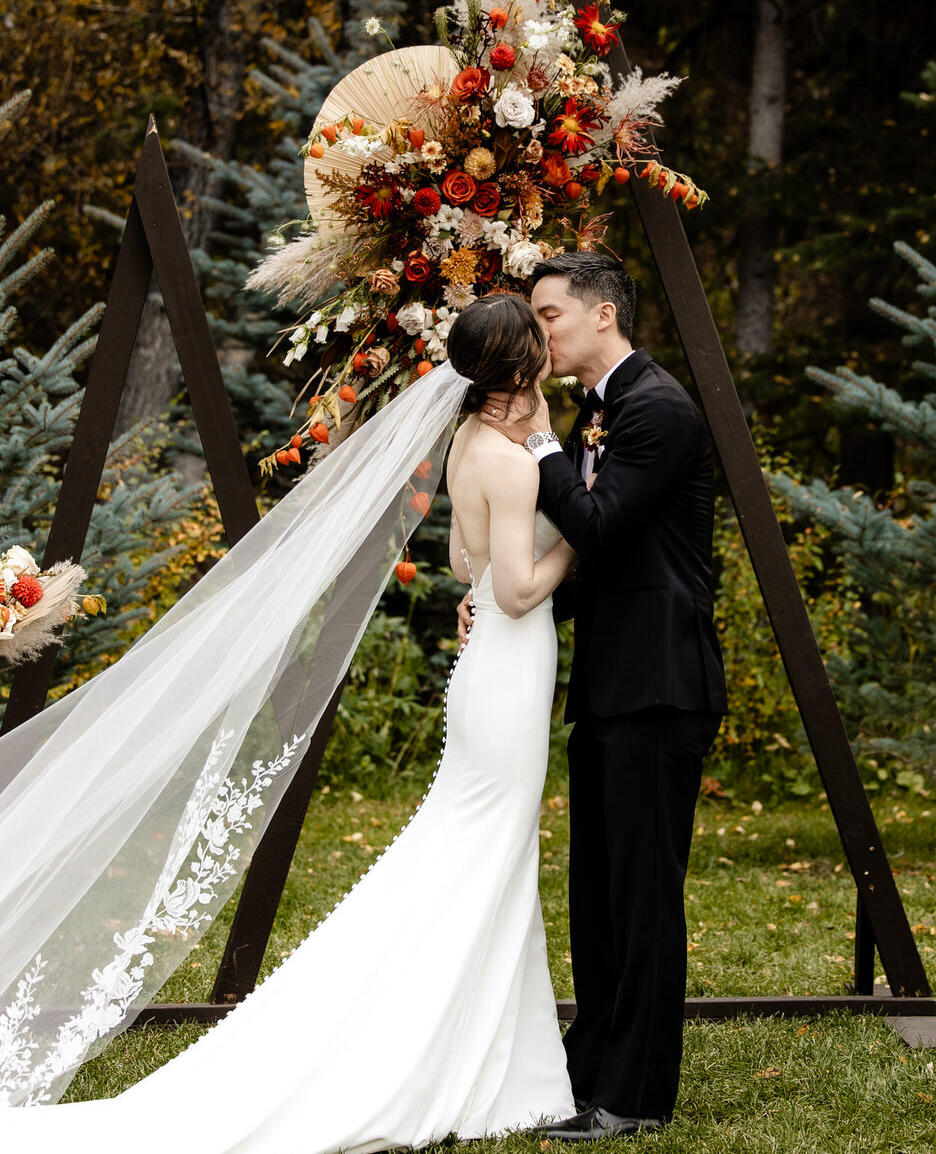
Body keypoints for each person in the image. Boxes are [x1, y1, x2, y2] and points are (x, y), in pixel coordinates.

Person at [0, 295, 579, 1151]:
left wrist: (496, 578)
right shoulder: (518, 458)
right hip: (510, 663)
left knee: (482, 846)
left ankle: (508, 1062)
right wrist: (580, 535)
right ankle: (466, 1059)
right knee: (489, 844)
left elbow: (464, 559)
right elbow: (522, 585)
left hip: (488, 660)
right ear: (520, 367)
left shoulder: (464, 442)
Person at [465, 251, 727, 1138]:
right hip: (610, 682)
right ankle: (591, 1068)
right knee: (601, 891)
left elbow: (602, 526)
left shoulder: (656, 410)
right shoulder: (598, 411)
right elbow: (592, 564)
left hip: (661, 682)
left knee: (644, 895)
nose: (538, 334)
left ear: (604, 314)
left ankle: (636, 1096)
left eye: (549, 316)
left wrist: (539, 447)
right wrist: (495, 611)